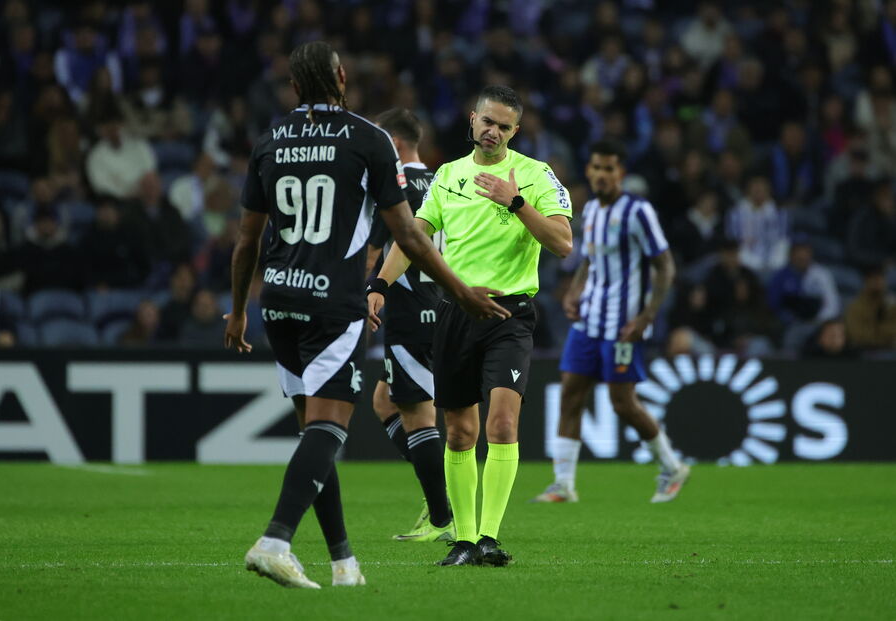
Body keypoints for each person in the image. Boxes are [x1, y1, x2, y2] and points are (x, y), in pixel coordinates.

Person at [225, 42, 508, 590]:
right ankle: (276, 539)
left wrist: (237, 311)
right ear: (343, 77)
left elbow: (244, 242)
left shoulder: (269, 141)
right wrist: (462, 291)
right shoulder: (367, 139)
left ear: (293, 88)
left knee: (314, 430)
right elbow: (408, 236)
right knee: (330, 428)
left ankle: (343, 563)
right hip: (335, 304)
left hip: (277, 302)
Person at [369, 85, 574, 567]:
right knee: (459, 433)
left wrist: (517, 202)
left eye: (504, 126)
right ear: (472, 119)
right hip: (456, 313)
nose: (493, 131)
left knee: (502, 423)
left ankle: (489, 537)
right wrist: (378, 282)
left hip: (510, 315)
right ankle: (463, 540)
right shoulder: (448, 176)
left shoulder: (535, 175)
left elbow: (563, 243)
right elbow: (415, 239)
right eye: (488, 121)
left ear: (515, 132)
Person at [533, 139, 689, 505]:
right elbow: (589, 258)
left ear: (621, 173)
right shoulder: (591, 212)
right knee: (570, 392)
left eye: (609, 169)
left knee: (622, 402)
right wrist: (574, 290)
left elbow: (665, 265)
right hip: (589, 320)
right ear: (589, 170)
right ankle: (563, 484)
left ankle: (671, 465)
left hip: (623, 324)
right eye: (597, 168)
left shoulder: (638, 212)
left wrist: (646, 316)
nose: (602, 175)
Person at [363, 108, 452, 542]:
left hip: (409, 312)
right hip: (442, 308)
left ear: (395, 145)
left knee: (419, 416)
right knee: (384, 400)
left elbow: (375, 253)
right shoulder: (443, 183)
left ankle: (442, 513)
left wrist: (365, 293)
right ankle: (436, 491)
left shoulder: (391, 188)